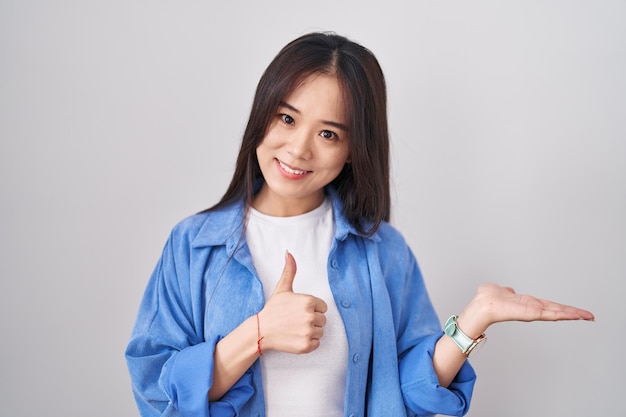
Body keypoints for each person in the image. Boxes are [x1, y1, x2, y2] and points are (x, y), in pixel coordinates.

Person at [125, 32, 594, 417]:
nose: (298, 148)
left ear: (355, 150)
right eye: (286, 118)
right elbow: (157, 391)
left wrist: (473, 321)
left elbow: (410, 390)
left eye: (328, 133)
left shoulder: (383, 250)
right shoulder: (193, 245)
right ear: (261, 116)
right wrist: (259, 334)